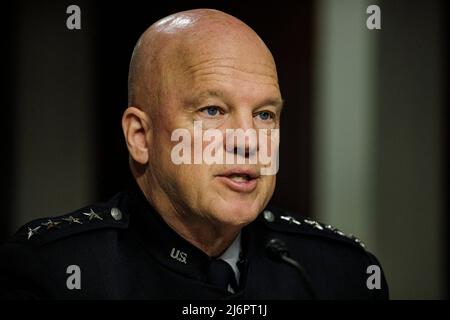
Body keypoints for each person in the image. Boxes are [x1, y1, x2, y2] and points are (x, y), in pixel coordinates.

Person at [0, 9, 388, 299]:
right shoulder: (56, 274)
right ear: (140, 136)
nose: (248, 141)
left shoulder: (340, 273)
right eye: (213, 111)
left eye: (265, 114)